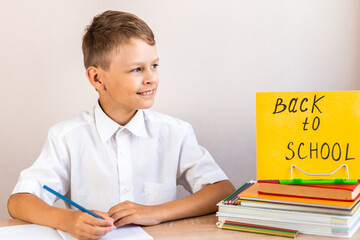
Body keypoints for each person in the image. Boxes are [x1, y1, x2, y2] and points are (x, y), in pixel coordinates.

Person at [7, 10, 235, 240]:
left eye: (154, 65)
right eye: (137, 69)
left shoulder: (174, 132)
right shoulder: (66, 137)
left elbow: (222, 190)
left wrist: (154, 213)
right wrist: (67, 220)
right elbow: (19, 201)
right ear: (97, 78)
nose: (151, 78)